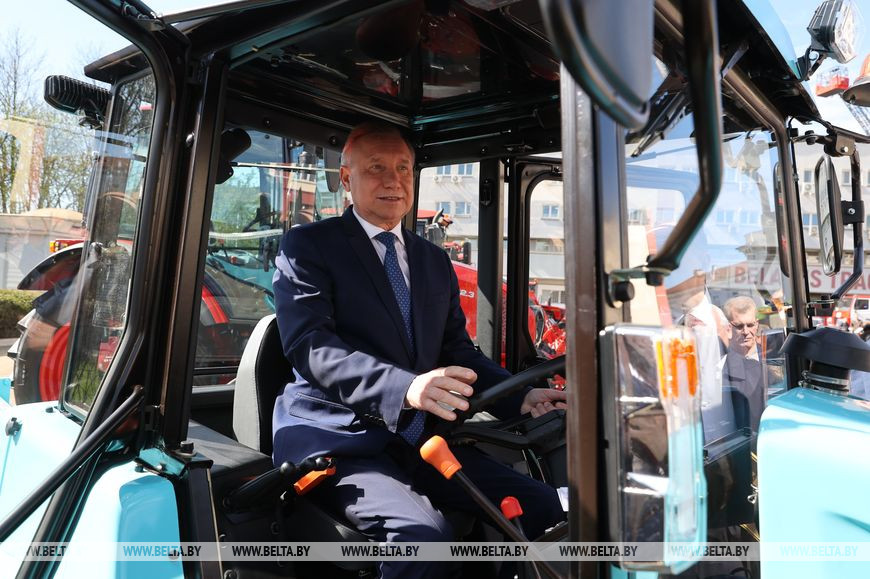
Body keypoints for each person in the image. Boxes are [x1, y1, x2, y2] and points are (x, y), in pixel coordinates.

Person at [271, 122, 566, 578]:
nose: (394, 180)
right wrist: (406, 388)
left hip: (418, 440)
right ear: (347, 178)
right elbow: (310, 346)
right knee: (423, 541)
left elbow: (457, 352)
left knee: (546, 508)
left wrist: (520, 396)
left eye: (404, 168)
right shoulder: (309, 246)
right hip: (340, 440)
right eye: (376, 168)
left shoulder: (432, 260)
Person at [721, 296, 765, 433]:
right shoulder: (721, 367)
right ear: (728, 328)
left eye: (750, 325)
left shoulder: (772, 358)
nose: (746, 332)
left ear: (757, 324)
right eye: (739, 326)